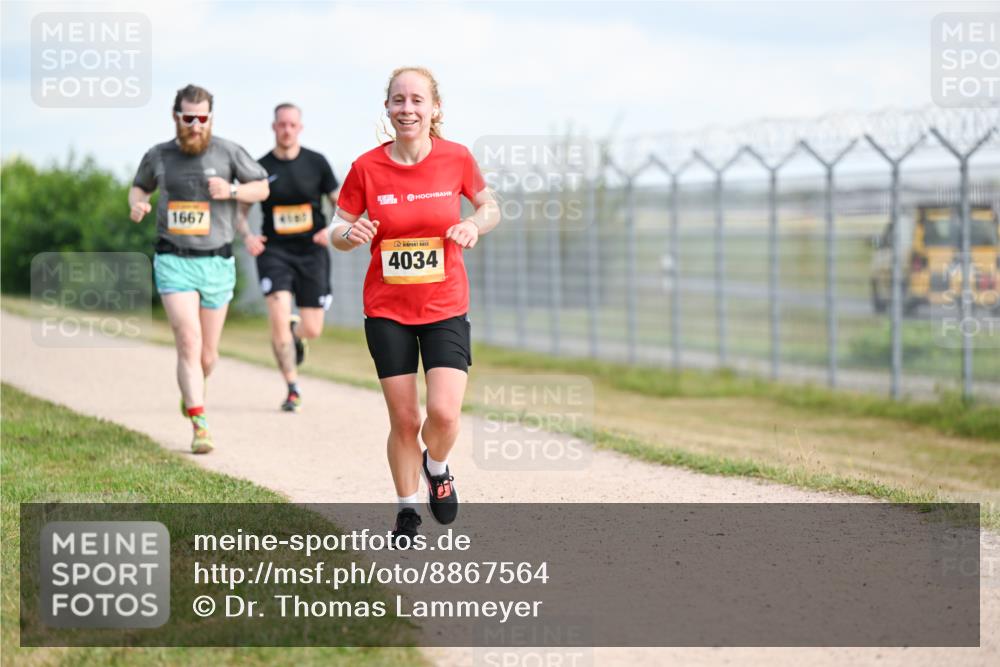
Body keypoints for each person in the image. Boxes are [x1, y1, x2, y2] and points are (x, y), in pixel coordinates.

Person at [320, 67, 500, 545]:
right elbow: (336, 231)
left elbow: (490, 207)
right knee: (404, 419)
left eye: (417, 100)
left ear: (434, 108)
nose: (408, 109)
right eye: (398, 100)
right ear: (387, 108)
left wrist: (473, 226)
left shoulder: (457, 158)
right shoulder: (366, 168)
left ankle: (436, 467)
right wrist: (349, 235)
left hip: (444, 306)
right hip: (387, 310)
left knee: (443, 414)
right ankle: (406, 512)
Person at [130, 84, 269, 454]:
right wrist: (139, 205)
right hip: (173, 260)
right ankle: (199, 421)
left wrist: (233, 191)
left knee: (208, 356)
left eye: (202, 117)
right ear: (176, 117)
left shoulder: (228, 151)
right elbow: (139, 188)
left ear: (210, 117)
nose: (195, 124)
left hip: (217, 263)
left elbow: (262, 188)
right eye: (188, 117)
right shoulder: (158, 155)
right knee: (187, 341)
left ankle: (192, 392)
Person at [237, 103, 340, 413]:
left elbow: (341, 202)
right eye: (282, 124)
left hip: (312, 251)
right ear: (274, 127)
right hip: (275, 253)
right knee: (278, 318)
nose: (287, 130)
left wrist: (332, 229)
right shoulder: (260, 168)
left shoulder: (317, 162)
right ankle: (292, 387)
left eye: (292, 125)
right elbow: (241, 211)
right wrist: (248, 236)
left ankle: (298, 333)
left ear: (300, 128)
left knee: (313, 328)